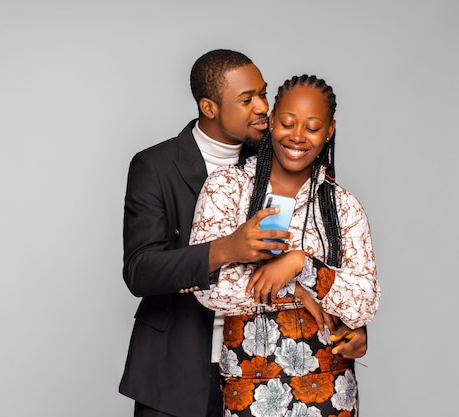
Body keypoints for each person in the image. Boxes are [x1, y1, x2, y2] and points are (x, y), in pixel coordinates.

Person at [119, 50, 368, 417]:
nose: (261, 108)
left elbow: (324, 247)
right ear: (209, 107)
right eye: (247, 99)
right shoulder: (155, 166)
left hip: (269, 370)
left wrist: (350, 325)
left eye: (264, 94)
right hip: (179, 367)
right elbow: (140, 270)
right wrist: (225, 249)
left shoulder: (283, 155)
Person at [190, 74, 381, 417]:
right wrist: (303, 292)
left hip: (329, 391)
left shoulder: (343, 207)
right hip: (250, 388)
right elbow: (209, 288)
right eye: (288, 123)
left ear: (329, 131)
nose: (297, 136)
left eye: (312, 127)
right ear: (272, 120)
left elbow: (363, 304)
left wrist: (301, 264)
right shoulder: (228, 188)